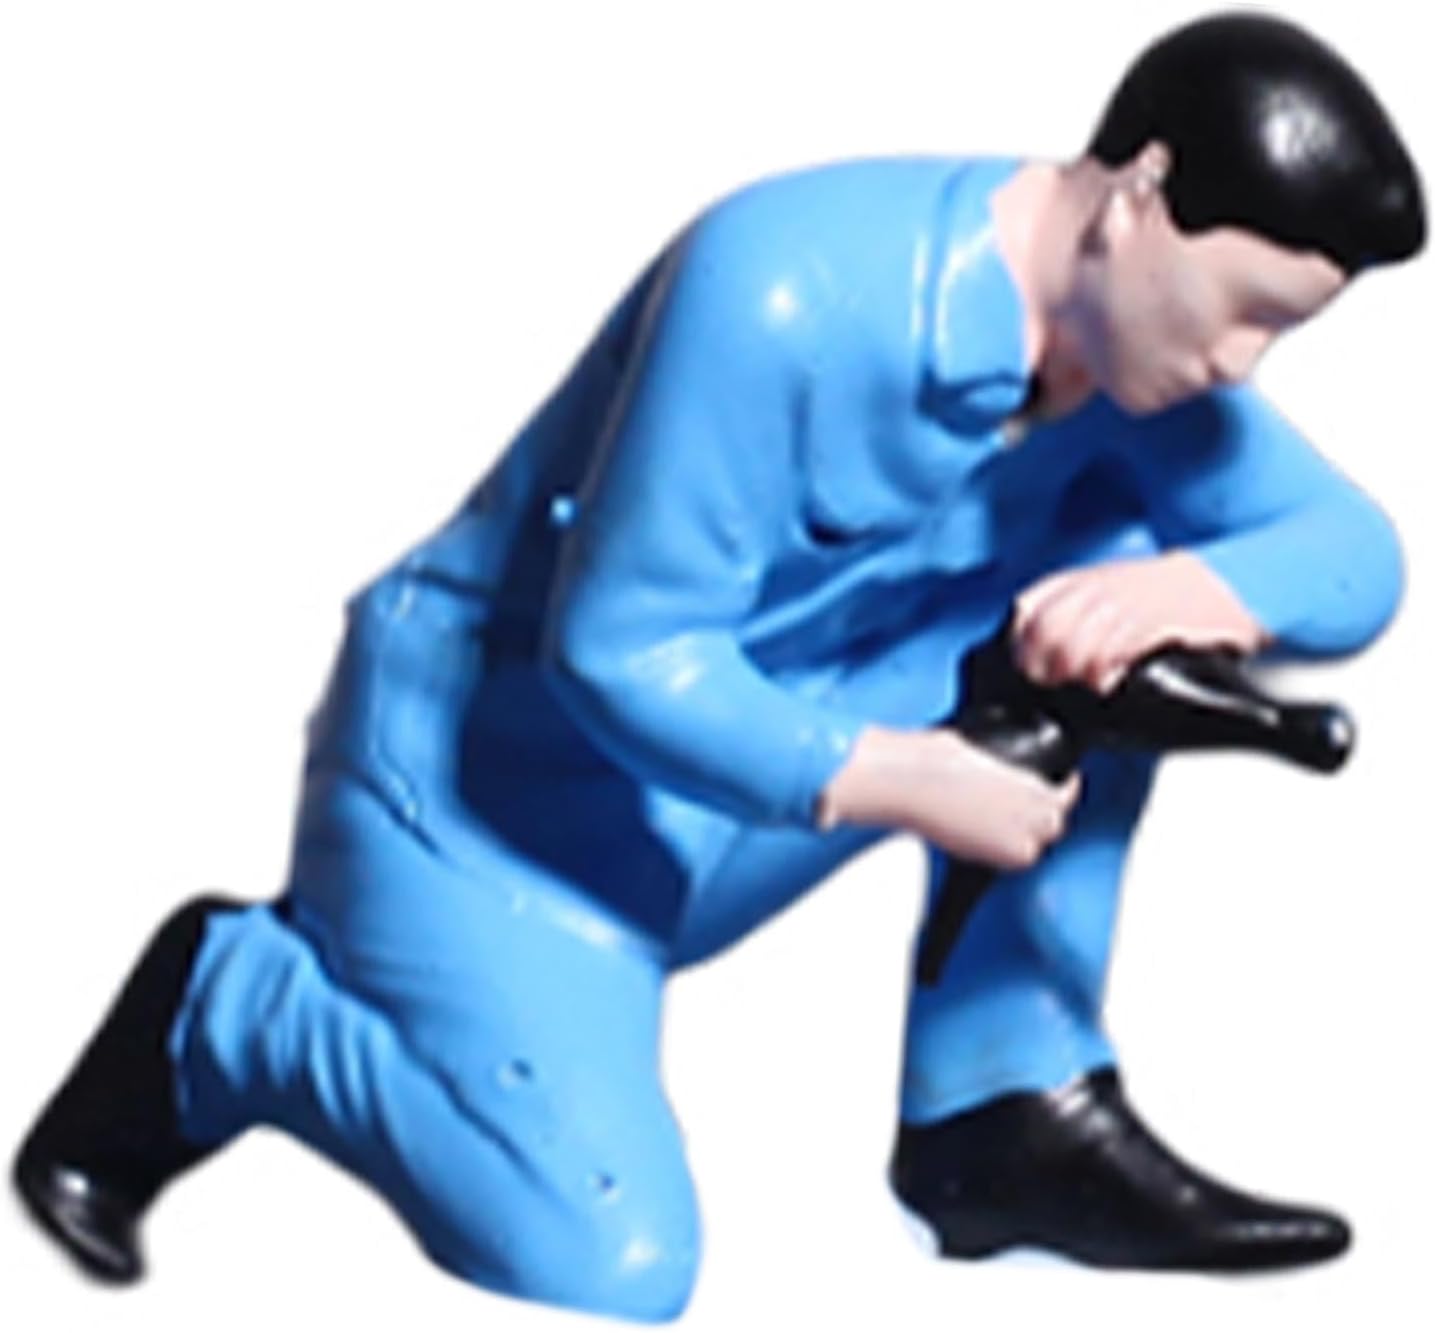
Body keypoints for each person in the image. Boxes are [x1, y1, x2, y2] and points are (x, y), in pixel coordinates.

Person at [13, 11, 1425, 1322]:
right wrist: (905, 777)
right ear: (1142, 195)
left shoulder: (1129, 352)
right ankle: (233, 1007)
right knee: (609, 1260)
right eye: (1244, 309)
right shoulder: (785, 291)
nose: (1243, 365)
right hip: (505, 792)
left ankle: (1002, 1102)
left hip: (762, 752)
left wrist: (1185, 590)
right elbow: (616, 655)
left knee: (1122, 594)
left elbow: (1355, 557)